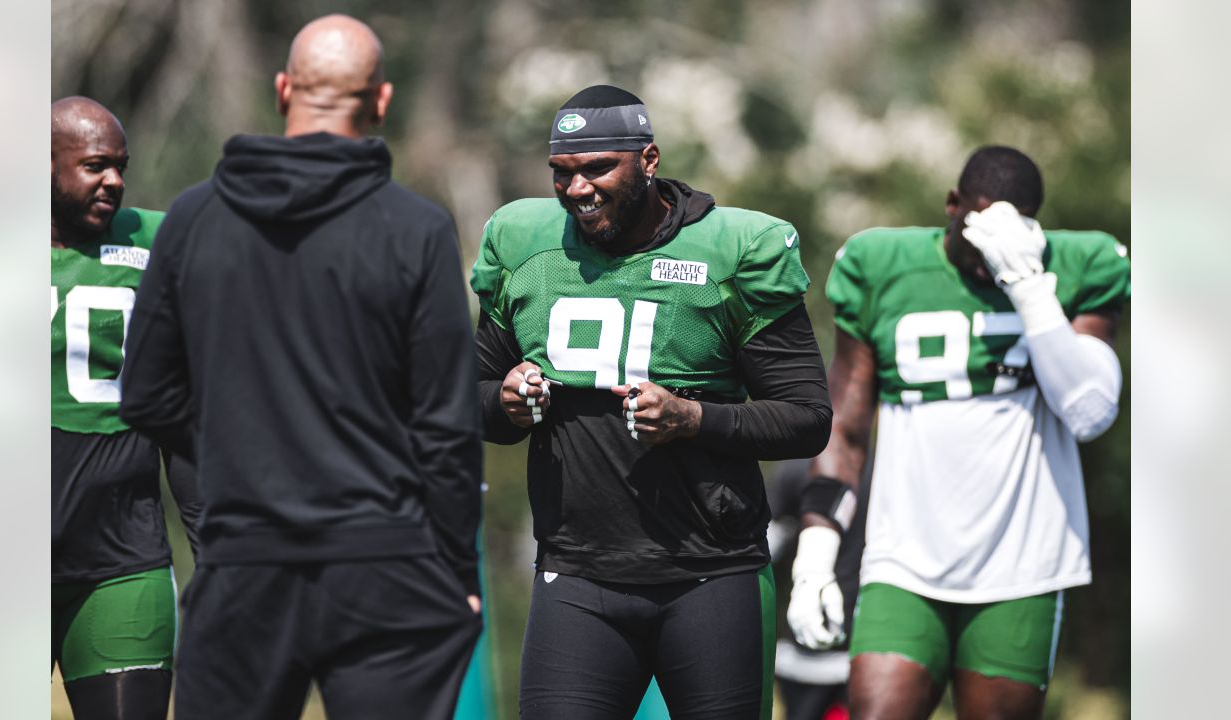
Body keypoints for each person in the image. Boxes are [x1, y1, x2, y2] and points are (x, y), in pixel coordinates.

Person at [118, 14, 483, 720]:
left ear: (284, 90)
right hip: (388, 563)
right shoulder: (417, 229)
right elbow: (447, 421)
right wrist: (456, 570)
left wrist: (243, 449)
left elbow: (147, 394)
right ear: (381, 102)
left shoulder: (194, 219)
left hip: (243, 561)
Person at [471, 84, 833, 719]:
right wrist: (506, 405)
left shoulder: (733, 251)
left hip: (710, 573)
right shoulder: (526, 245)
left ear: (649, 159)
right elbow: (470, 401)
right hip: (577, 573)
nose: (577, 189)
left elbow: (807, 419)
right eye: (562, 173)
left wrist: (694, 418)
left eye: (596, 168)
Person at [786, 146, 1129, 719]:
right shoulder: (883, 264)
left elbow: (1089, 413)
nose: (989, 249)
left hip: (1022, 564)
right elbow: (843, 429)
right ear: (952, 206)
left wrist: (1028, 286)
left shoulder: (1074, 266)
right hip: (903, 559)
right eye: (982, 228)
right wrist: (814, 557)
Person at [51, 96, 202, 720]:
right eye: (94, 165)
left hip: (122, 556)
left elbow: (188, 417)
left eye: (121, 165)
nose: (114, 179)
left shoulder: (158, 242)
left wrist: (215, 551)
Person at [768, 459, 867, 720]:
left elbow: (766, 547)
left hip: (852, 649)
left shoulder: (796, 465)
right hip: (815, 647)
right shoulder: (886, 465)